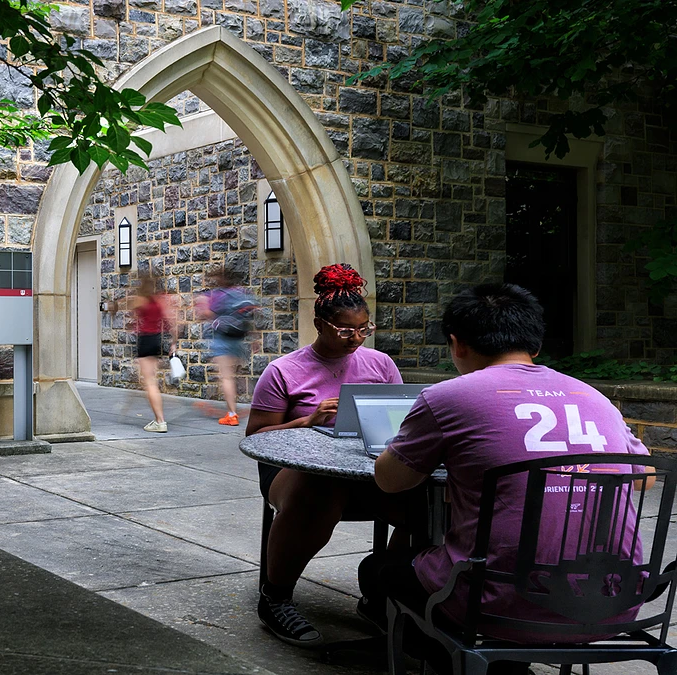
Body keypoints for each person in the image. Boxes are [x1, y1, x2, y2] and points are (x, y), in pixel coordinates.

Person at [363, 283, 651, 666]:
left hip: (498, 603)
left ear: (457, 344)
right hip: (613, 602)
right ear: (535, 346)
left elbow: (390, 480)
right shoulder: (592, 396)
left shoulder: (448, 396)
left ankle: (466, 662)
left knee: (379, 570)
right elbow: (644, 476)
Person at [244, 263, 403, 646]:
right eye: (346, 330)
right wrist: (308, 421)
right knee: (321, 486)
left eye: (364, 329)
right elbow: (256, 437)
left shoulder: (379, 365)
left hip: (366, 466)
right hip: (293, 470)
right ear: (319, 324)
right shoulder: (284, 371)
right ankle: (276, 596)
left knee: (431, 496)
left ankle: (384, 591)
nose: (356, 339)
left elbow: (403, 420)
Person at [108, 270, 176, 433]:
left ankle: (160, 421)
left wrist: (113, 306)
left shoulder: (140, 300)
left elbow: (120, 304)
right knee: (150, 380)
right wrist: (173, 344)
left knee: (150, 382)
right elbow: (171, 323)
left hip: (145, 341)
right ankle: (158, 419)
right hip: (156, 340)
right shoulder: (159, 302)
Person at [195, 266, 256, 426]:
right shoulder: (239, 293)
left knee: (226, 377)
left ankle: (232, 414)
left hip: (222, 340)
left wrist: (202, 304)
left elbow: (207, 314)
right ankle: (237, 406)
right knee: (231, 376)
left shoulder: (218, 295)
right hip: (237, 340)